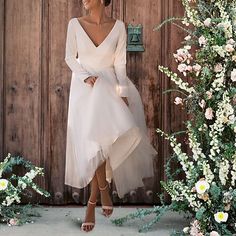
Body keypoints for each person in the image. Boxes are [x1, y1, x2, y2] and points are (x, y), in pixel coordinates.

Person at [64, 0, 157, 232]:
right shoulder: (74, 24)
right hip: (83, 87)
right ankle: (103, 190)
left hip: (108, 85)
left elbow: (120, 63)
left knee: (103, 140)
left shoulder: (118, 26)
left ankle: (91, 203)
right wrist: (85, 75)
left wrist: (123, 93)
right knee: (91, 143)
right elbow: (69, 58)